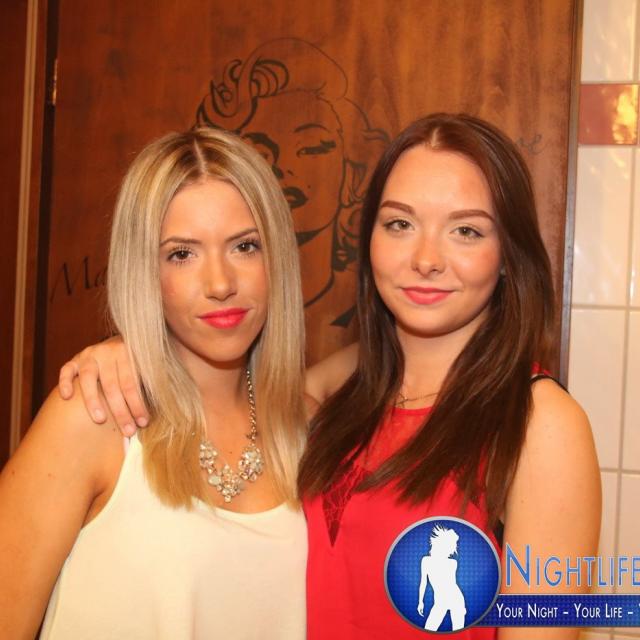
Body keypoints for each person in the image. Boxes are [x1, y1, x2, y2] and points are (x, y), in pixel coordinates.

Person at [56, 113, 601, 640]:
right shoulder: (346, 389)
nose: (426, 258)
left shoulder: (542, 424)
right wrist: (128, 352)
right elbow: (230, 395)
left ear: (507, 255)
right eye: (400, 224)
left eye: (465, 230)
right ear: (370, 240)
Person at [0, 128, 308, 639]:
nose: (220, 283)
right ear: (144, 270)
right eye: (182, 254)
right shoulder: (94, 416)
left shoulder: (311, 431)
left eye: (245, 246)